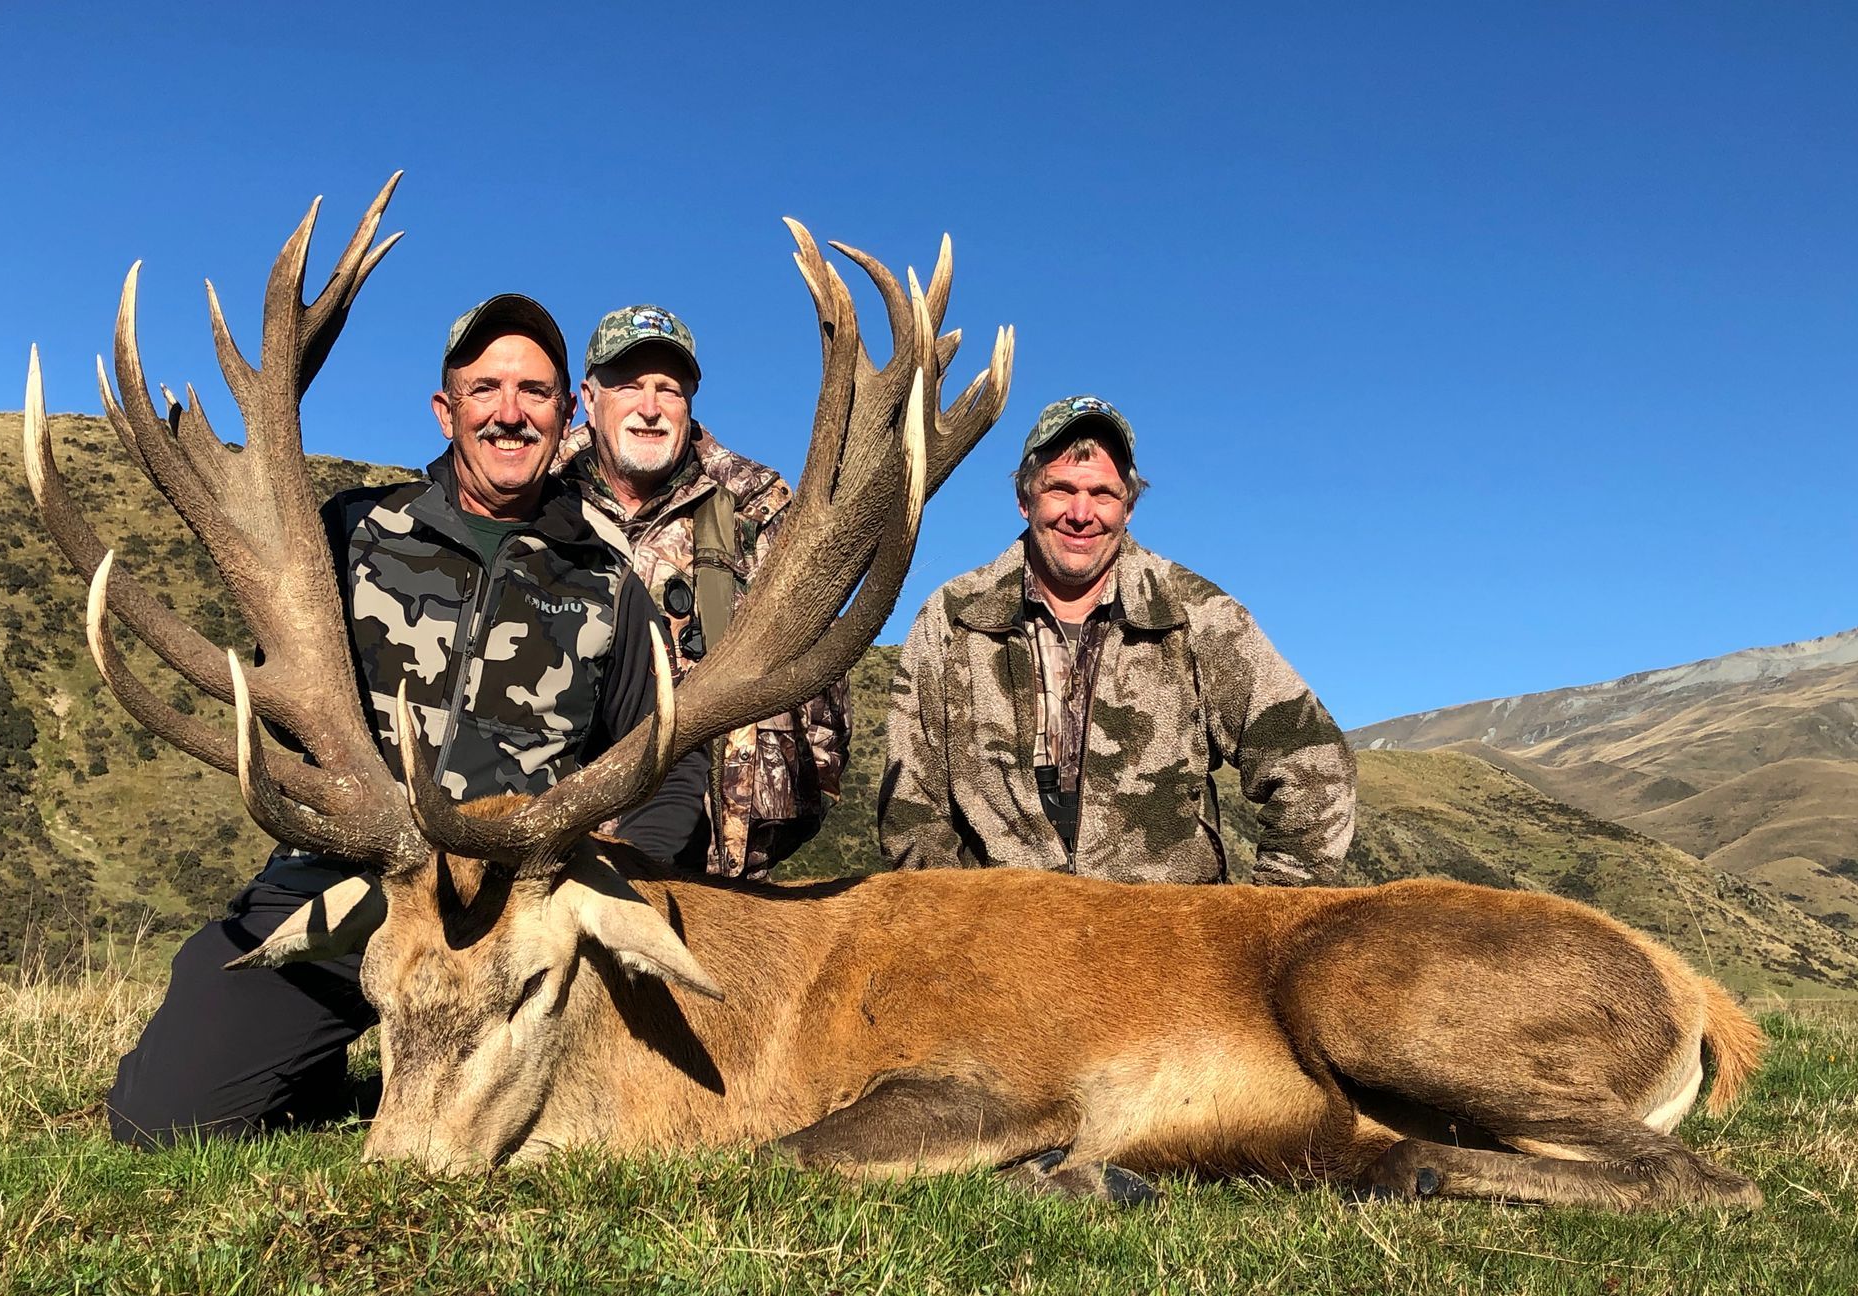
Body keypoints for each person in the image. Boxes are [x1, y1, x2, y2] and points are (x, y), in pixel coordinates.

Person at [107, 295, 706, 1146]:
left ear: (565, 415)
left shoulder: (608, 588)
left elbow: (672, 760)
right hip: (344, 879)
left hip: (505, 918)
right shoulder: (352, 533)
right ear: (446, 408)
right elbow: (282, 705)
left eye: (535, 393)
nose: (510, 413)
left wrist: (601, 876)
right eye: (486, 387)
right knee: (158, 1120)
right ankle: (306, 1053)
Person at [879, 395, 1356, 885]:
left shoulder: (1196, 616)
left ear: (1128, 507)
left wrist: (1265, 923)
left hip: (1170, 943)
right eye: (1060, 489)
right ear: (1025, 500)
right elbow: (910, 812)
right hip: (1002, 946)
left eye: (1103, 494)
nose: (1081, 513)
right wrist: (957, 935)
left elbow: (1314, 764)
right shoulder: (953, 619)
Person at [554, 304, 848, 879]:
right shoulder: (531, 497)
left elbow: (822, 692)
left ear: (690, 401)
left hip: (713, 870)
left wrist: (763, 825)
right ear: (588, 399)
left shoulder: (759, 510)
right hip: (547, 861)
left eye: (670, 389)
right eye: (629, 385)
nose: (650, 407)